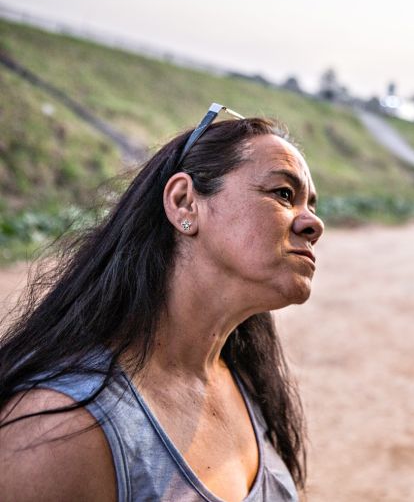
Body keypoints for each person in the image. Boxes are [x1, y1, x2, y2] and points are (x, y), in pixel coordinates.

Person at [0, 103, 324, 501]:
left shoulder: (247, 382)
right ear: (185, 202)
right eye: (284, 194)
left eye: (311, 205)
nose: (313, 223)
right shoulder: (56, 434)